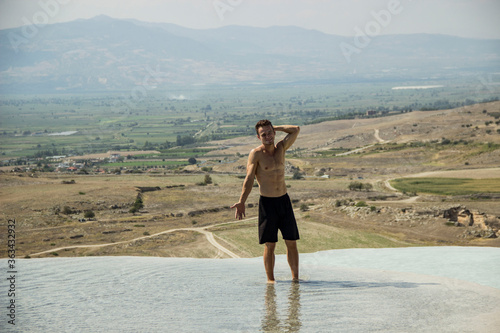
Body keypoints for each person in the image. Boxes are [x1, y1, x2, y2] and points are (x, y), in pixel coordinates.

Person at [231, 119, 300, 283]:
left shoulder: (281, 148)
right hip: (267, 204)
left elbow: (296, 129)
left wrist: (274, 127)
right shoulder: (256, 154)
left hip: (284, 201)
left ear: (274, 133)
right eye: (263, 134)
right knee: (270, 244)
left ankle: (295, 279)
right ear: (258, 137)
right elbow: (249, 179)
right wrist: (241, 201)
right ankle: (271, 281)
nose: (268, 136)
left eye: (270, 133)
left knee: (291, 242)